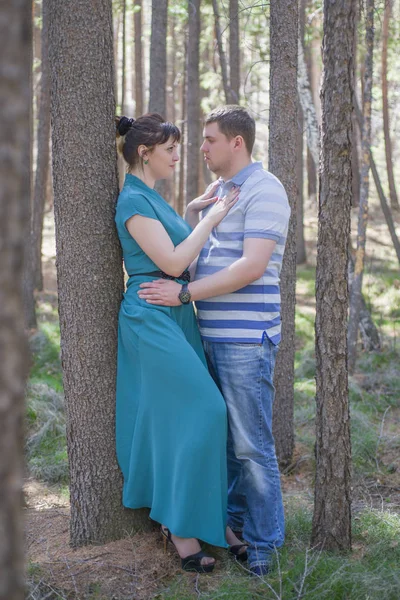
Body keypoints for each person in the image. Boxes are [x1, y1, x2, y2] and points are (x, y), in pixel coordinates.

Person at [138, 105, 290, 576]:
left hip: (246, 339)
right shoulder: (220, 192)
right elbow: (195, 254)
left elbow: (251, 267)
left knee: (251, 446)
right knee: (224, 443)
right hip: (208, 335)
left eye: (208, 140)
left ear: (236, 143)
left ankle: (265, 544)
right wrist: (190, 214)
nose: (200, 149)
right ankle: (234, 527)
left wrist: (184, 294)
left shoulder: (266, 190)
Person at [114, 113, 244, 574]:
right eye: (170, 148)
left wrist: (190, 214)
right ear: (144, 152)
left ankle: (210, 521)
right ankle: (178, 524)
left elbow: (178, 255)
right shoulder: (131, 200)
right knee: (205, 409)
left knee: (182, 418)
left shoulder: (154, 198)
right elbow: (171, 260)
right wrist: (209, 221)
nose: (177, 155)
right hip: (150, 316)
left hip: (176, 314)